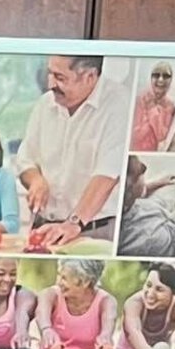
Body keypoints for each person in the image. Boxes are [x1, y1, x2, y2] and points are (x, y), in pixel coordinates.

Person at [15, 54, 124, 247]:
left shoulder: (120, 104)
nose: (50, 84)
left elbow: (107, 175)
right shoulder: (45, 104)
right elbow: (26, 160)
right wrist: (36, 180)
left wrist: (73, 223)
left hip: (92, 230)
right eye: (50, 74)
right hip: (43, 227)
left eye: (60, 78)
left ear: (90, 77)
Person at [34, 258, 117, 349]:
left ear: (85, 282)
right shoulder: (51, 295)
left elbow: (109, 322)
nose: (58, 282)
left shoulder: (106, 301)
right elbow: (41, 312)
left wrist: (105, 337)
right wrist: (46, 329)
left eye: (64, 278)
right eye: (59, 275)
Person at [117, 156, 175, 258]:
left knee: (172, 185)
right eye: (141, 170)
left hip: (147, 207)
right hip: (164, 227)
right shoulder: (150, 240)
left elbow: (133, 193)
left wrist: (157, 184)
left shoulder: (121, 202)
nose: (144, 169)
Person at [131, 62, 175, 153]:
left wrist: (153, 111)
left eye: (166, 76)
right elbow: (134, 135)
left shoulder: (172, 107)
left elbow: (162, 137)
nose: (161, 80)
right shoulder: (137, 101)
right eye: (156, 75)